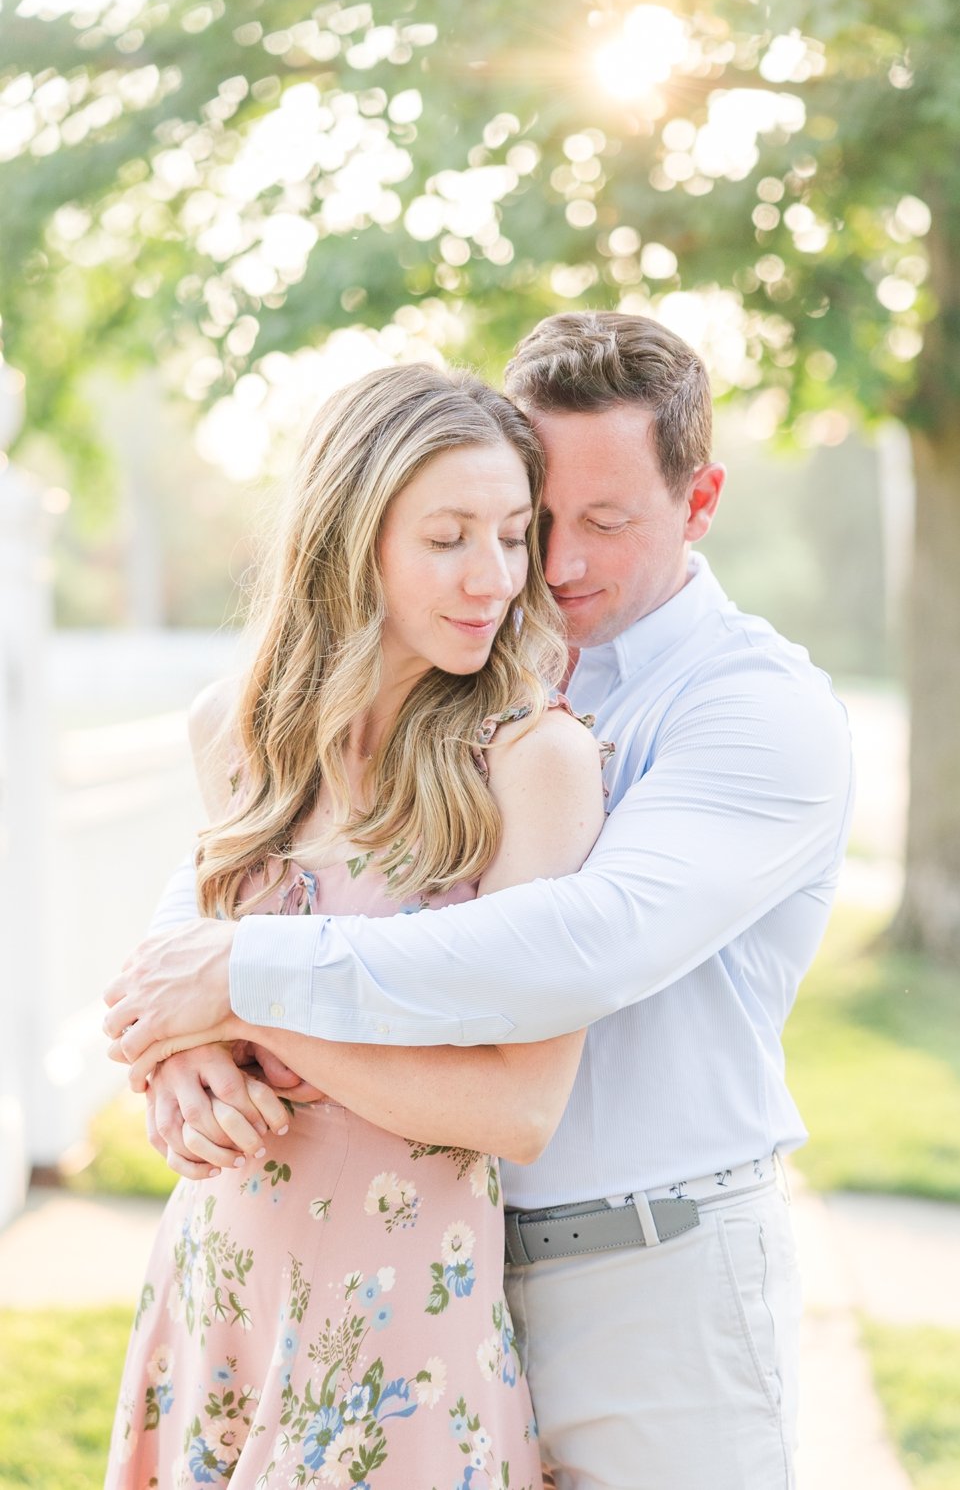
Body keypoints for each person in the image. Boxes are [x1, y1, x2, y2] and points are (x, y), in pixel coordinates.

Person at [106, 312, 854, 1490]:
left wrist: (236, 990)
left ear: (699, 502)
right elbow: (212, 898)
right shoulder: (459, 674)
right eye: (531, 520)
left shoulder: (748, 710)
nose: (542, 570)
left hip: (644, 1282)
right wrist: (175, 1048)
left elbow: (581, 942)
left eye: (600, 525)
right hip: (427, 1265)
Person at [103, 363, 607, 1489]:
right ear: (350, 537)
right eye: (448, 538)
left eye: (514, 535)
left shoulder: (532, 765)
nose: (494, 578)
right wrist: (180, 1059)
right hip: (217, 1288)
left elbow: (518, 1106)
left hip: (402, 1340)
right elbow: (169, 984)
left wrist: (241, 997)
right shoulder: (232, 733)